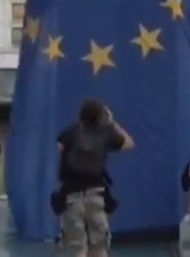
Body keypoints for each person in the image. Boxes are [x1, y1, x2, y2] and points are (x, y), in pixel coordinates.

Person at [56, 99, 135, 257]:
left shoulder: (70, 132)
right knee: (99, 247)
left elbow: (60, 148)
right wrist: (112, 123)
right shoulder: (105, 133)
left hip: (71, 195)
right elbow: (129, 143)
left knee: (78, 247)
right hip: (96, 194)